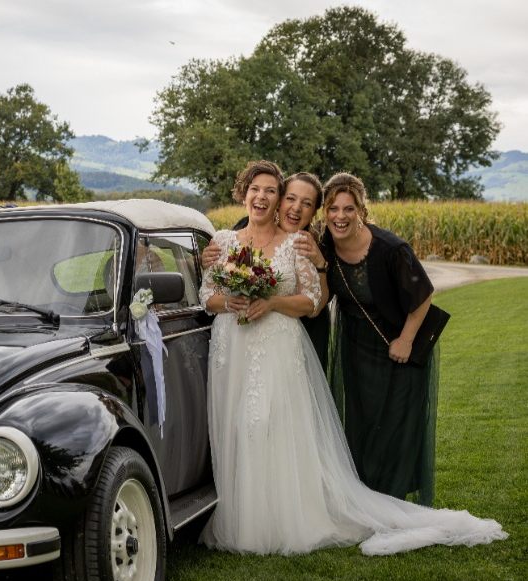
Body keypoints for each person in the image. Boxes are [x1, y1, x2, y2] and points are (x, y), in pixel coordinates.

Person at [199, 160, 506, 556]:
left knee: (271, 424)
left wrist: (274, 298)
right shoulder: (226, 239)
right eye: (273, 194)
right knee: (239, 426)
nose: (273, 200)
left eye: (281, 194)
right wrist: (228, 294)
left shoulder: (304, 244)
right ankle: (245, 517)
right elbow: (208, 293)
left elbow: (314, 300)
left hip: (286, 345)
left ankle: (290, 517)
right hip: (235, 349)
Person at [320, 173, 437, 505]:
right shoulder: (324, 244)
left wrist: (406, 340)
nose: (340, 216)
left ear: (362, 211)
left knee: (395, 427)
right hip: (357, 350)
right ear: (325, 211)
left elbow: (424, 295)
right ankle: (367, 499)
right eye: (333, 209)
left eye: (349, 208)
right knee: (362, 424)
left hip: (399, 349)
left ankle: (393, 501)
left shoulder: (390, 249)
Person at [202, 172, 331, 368]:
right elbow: (214, 286)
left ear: (314, 212)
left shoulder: (311, 244)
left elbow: (315, 304)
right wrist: (206, 262)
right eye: (291, 198)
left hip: (298, 335)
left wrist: (321, 264)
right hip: (235, 343)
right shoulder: (236, 232)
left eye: (306, 203)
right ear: (280, 202)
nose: (296, 208)